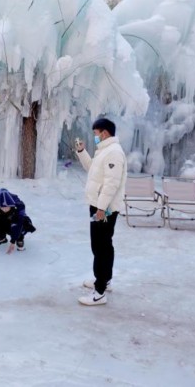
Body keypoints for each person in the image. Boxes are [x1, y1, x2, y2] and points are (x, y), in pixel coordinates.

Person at [75, 117, 127, 306]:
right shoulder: (104, 151)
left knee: (101, 247)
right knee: (102, 245)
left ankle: (99, 292)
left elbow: (111, 184)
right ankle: (105, 280)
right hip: (99, 205)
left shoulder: (114, 153)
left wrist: (101, 208)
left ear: (104, 133)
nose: (94, 137)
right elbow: (93, 170)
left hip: (104, 209)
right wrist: (82, 152)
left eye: (96, 133)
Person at [0, 188, 36, 254]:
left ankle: (19, 238)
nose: (5, 209)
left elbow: (18, 224)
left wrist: (13, 241)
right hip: (5, 220)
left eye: (7, 207)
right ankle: (1, 237)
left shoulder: (19, 206)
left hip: (16, 221)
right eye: (2, 207)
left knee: (24, 222)